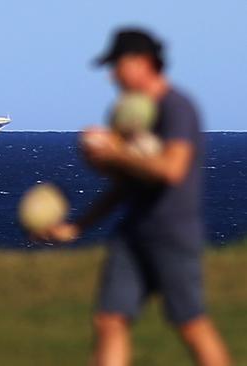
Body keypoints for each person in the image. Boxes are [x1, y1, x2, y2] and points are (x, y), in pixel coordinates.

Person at [44, 28, 232, 366]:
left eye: (116, 65)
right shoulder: (129, 114)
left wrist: (114, 154)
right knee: (109, 320)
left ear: (142, 62)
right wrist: (79, 223)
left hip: (171, 233)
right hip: (132, 233)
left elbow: (171, 170)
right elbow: (127, 182)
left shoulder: (176, 108)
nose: (112, 75)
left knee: (190, 324)